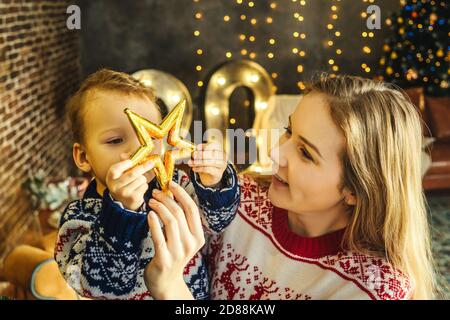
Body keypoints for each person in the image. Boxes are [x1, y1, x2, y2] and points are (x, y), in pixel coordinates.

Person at [198, 74, 436, 300]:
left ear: (354, 190)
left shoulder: (375, 288)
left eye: (305, 153)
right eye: (288, 131)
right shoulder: (232, 198)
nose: (274, 153)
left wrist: (171, 290)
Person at [55, 69, 240, 299]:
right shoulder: (79, 217)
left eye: (150, 136)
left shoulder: (178, 185)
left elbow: (218, 221)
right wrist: (122, 213)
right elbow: (96, 286)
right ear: (83, 157)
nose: (140, 150)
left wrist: (214, 181)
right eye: (115, 140)